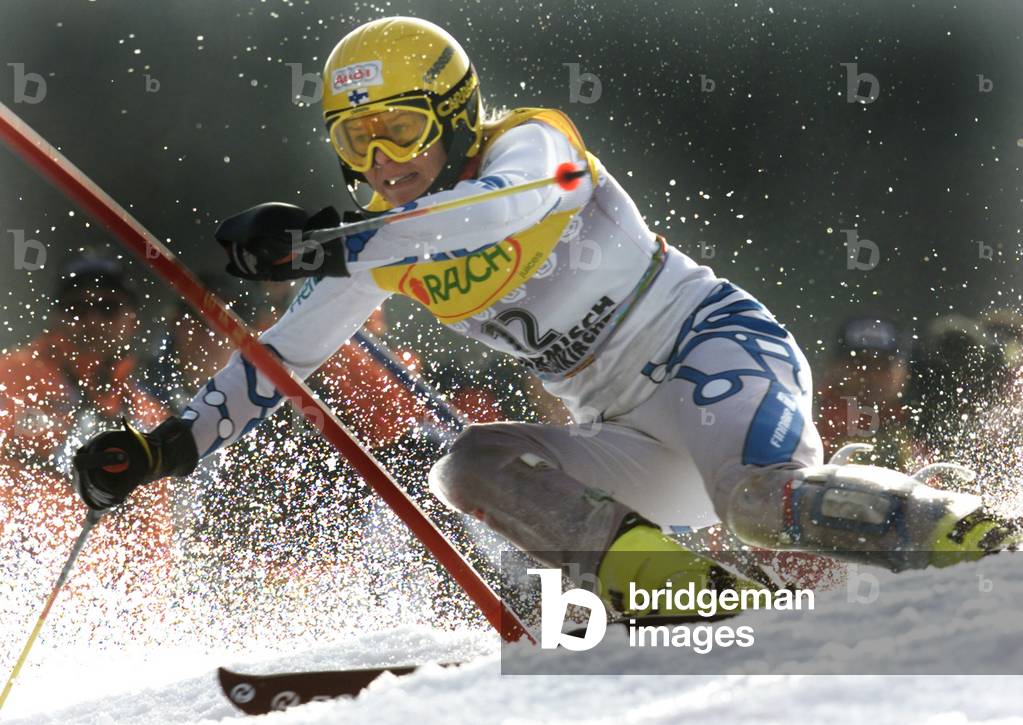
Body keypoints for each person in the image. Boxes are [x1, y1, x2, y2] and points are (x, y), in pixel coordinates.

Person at [69, 17, 1020, 619]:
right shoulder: (380, 243)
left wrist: (323, 244)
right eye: (356, 139)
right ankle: (703, 608)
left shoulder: (532, 146)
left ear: (452, 116)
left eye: (399, 128)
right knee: (468, 465)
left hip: (711, 353)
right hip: (624, 430)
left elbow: (495, 214)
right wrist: (161, 449)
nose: (381, 159)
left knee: (757, 506)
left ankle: (978, 536)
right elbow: (282, 358)